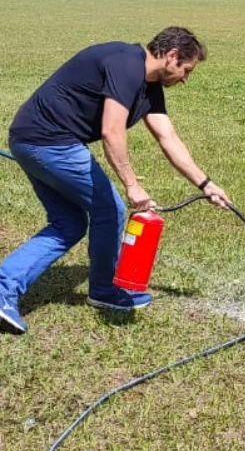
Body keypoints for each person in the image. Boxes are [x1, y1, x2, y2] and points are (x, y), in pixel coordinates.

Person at [0, 26, 231, 334]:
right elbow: (112, 130)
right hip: (50, 141)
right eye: (187, 70)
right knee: (111, 210)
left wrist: (206, 185)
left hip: (30, 139)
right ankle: (104, 291)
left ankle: (4, 289)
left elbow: (168, 138)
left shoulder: (149, 87)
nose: (186, 79)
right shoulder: (127, 65)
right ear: (172, 57)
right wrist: (132, 184)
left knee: (69, 224)